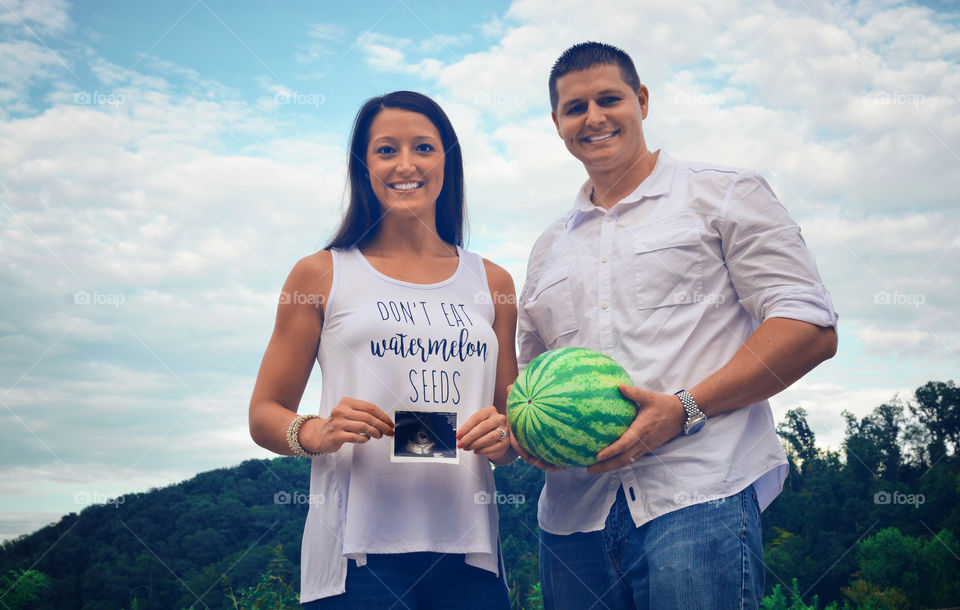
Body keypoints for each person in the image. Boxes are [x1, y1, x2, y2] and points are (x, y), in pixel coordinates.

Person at [514, 42, 839, 609]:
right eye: (575, 108)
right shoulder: (546, 249)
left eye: (609, 99)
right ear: (557, 123)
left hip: (698, 496)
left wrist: (683, 409)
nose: (593, 117)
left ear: (641, 100)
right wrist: (528, 437)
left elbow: (808, 325)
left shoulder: (725, 192)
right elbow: (528, 382)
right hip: (573, 520)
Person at [248, 90, 517, 609]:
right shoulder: (322, 272)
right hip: (354, 564)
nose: (407, 164)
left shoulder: (494, 281)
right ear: (364, 167)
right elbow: (263, 414)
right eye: (386, 150)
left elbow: (513, 430)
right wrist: (317, 432)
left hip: (470, 557)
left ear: (448, 160)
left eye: (424, 147)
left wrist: (506, 439)